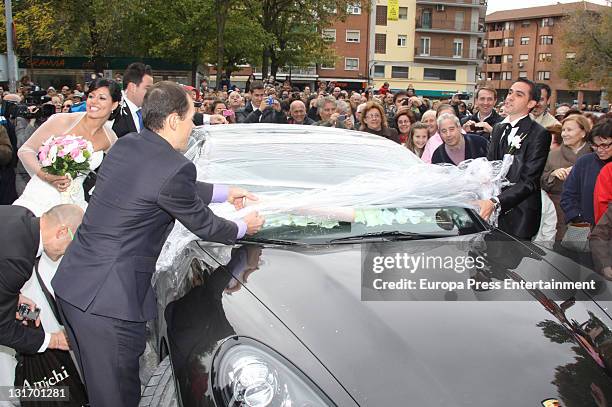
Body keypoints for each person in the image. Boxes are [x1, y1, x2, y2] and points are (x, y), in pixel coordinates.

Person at [51, 82, 265, 407]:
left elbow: (169, 186)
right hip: (108, 303)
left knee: (102, 390)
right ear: (173, 120)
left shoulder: (128, 145)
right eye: (191, 117)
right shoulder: (174, 167)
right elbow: (205, 225)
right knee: (117, 397)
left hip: (76, 285)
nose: (193, 126)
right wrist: (242, 225)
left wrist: (226, 192)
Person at [0, 204, 83, 389]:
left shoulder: (20, 214)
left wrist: (13, 296)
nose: (67, 254)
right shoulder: (18, 261)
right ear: (62, 232)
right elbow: (2, 329)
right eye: (72, 245)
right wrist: (53, 340)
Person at [15, 78, 121, 216]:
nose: (93, 102)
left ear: (114, 105)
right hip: (42, 195)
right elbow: (25, 150)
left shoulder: (110, 138)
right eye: (91, 96)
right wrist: (46, 176)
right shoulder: (62, 120)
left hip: (74, 202)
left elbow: (119, 172)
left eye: (102, 98)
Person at [477, 78, 551, 240]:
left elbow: (529, 182)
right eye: (510, 92)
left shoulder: (539, 134)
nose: (509, 97)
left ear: (531, 103)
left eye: (518, 95)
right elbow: (492, 166)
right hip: (490, 212)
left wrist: (496, 201)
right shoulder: (498, 128)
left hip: (519, 216)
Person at [540, 115, 592, 240]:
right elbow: (540, 180)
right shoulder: (552, 155)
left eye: (569, 130)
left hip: (587, 211)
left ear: (583, 132)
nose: (564, 134)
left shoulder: (594, 155)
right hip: (558, 212)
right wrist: (552, 174)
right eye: (563, 130)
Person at [561, 119, 612, 226]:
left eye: (605, 145)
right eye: (595, 145)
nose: (599, 149)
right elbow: (568, 194)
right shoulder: (585, 162)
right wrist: (577, 217)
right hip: (586, 226)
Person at [111, 63, 154, 137]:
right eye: (147, 88)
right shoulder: (113, 112)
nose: (151, 93)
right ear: (132, 87)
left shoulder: (149, 112)